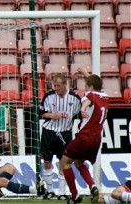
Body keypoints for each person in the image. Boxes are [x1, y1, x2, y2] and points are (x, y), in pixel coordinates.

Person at [60, 68, 109, 204]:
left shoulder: (90, 96)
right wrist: (84, 72)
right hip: (97, 139)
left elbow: (88, 100)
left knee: (65, 162)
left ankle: (74, 197)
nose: (85, 88)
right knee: (79, 162)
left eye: (86, 86)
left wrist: (82, 109)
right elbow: (96, 84)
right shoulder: (105, 96)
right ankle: (93, 187)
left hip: (85, 137)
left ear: (91, 88)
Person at [39, 73, 82, 200]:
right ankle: (50, 190)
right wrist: (53, 115)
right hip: (49, 132)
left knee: (64, 162)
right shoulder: (48, 96)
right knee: (47, 161)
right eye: (54, 86)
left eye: (58, 86)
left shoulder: (74, 98)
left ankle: (62, 192)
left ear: (65, 84)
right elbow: (41, 113)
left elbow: (80, 114)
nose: (56, 88)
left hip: (65, 133)